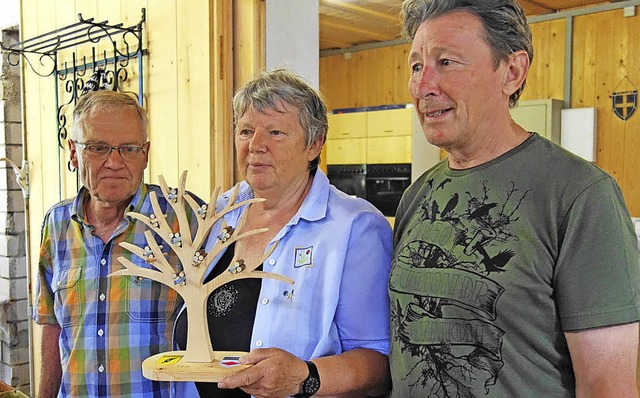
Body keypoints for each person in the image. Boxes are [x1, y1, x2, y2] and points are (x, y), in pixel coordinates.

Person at [389, 1, 640, 397]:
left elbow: (608, 387)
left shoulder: (581, 196)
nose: (423, 87)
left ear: (511, 71)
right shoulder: (417, 195)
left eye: (447, 62)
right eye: (417, 66)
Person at [173, 68, 393, 397]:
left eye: (275, 132)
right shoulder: (220, 212)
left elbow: (378, 362)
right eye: (245, 131)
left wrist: (305, 378)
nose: (256, 145)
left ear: (314, 144)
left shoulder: (355, 228)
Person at [33, 90, 197, 398]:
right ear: (73, 152)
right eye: (98, 148)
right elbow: (51, 326)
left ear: (145, 153)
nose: (114, 162)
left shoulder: (183, 218)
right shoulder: (56, 225)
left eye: (129, 148)